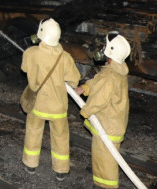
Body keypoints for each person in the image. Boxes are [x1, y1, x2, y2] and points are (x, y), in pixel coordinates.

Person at [21, 18, 82, 180]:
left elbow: (24, 68)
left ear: (41, 32)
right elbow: (74, 80)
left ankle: (30, 164)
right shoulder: (65, 57)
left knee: (33, 133)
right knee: (60, 137)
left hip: (37, 105)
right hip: (58, 107)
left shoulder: (31, 53)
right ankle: (61, 170)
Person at [75, 31, 131, 189]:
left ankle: (105, 186)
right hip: (113, 122)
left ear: (110, 51)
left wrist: (85, 111)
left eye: (105, 46)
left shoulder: (109, 76)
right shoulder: (116, 69)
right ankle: (102, 180)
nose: (102, 49)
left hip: (107, 126)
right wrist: (85, 88)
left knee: (105, 161)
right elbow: (98, 82)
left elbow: (99, 99)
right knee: (104, 158)